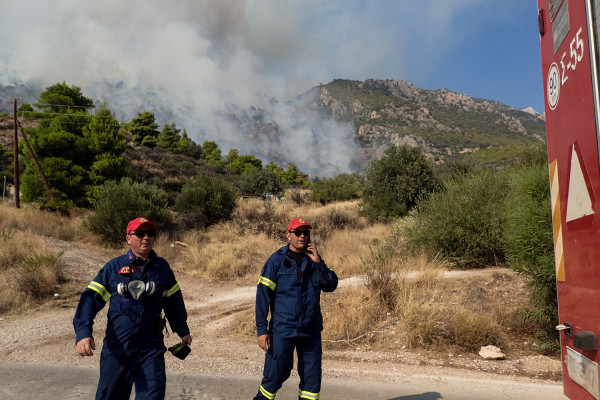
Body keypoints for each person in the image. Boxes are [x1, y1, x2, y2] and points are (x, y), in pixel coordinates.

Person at [73, 217, 192, 400]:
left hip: (151, 349)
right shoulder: (114, 267)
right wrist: (83, 333)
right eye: (139, 234)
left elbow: (173, 301)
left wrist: (182, 330)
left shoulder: (162, 268)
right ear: (128, 238)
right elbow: (90, 300)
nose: (146, 238)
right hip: (117, 348)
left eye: (150, 234)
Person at [253, 217, 338, 400]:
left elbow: (331, 285)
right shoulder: (276, 261)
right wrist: (262, 330)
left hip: (310, 331)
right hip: (283, 330)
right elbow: (262, 297)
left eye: (306, 233)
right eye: (298, 232)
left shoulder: (315, 261)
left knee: (311, 382)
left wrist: (319, 263)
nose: (302, 236)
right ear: (288, 235)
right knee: (275, 376)